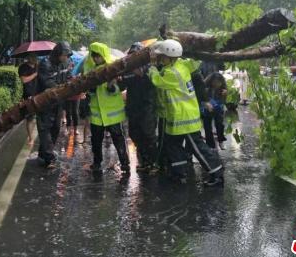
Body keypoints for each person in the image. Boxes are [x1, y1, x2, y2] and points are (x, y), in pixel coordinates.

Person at [149, 39, 224, 187]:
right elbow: (194, 62)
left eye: (162, 56)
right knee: (172, 145)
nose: (160, 59)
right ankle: (179, 173)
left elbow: (157, 80)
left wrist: (152, 67)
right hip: (178, 117)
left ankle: (217, 172)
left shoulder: (172, 72)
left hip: (184, 117)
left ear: (170, 57)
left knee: (197, 147)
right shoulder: (182, 65)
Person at [84, 42, 130, 173]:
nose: (95, 58)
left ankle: (125, 164)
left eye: (97, 56)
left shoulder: (113, 68)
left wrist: (111, 86)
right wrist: (91, 88)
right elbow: (89, 91)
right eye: (93, 56)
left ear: (103, 55)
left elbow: (121, 88)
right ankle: (97, 163)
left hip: (112, 114)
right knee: (96, 141)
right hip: (97, 114)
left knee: (119, 140)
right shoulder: (90, 69)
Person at [35, 41, 73, 168]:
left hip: (58, 102)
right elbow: (48, 83)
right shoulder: (45, 64)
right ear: (58, 53)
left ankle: (43, 153)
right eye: (64, 55)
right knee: (45, 129)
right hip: (45, 102)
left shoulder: (65, 63)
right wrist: (65, 89)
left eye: (67, 55)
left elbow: (68, 77)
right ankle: (49, 157)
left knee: (55, 128)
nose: (66, 58)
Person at [122, 42, 158, 173]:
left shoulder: (150, 68)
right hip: (133, 107)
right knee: (134, 134)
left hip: (147, 106)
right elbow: (122, 84)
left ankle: (153, 163)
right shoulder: (127, 69)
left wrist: (142, 74)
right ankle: (143, 161)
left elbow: (155, 83)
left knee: (149, 135)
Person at [203, 72, 228, 150]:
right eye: (215, 82)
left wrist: (226, 93)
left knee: (220, 125)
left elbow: (224, 97)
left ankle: (221, 141)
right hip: (207, 108)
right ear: (211, 81)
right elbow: (201, 96)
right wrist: (206, 103)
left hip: (218, 108)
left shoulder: (222, 87)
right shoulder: (205, 86)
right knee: (207, 127)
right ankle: (210, 145)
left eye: (219, 83)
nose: (217, 84)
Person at [18, 54, 38, 145]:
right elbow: (24, 80)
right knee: (30, 118)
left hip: (39, 94)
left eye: (35, 56)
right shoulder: (23, 67)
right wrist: (34, 74)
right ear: (28, 57)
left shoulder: (39, 66)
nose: (35, 58)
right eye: (32, 56)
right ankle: (30, 138)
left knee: (40, 117)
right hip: (28, 95)